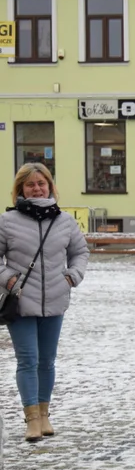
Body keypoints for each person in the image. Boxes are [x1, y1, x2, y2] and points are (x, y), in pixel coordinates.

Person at [1, 163, 89, 442]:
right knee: (28, 360)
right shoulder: (7, 221)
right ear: (20, 189)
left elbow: (80, 252)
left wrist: (71, 277)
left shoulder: (64, 221)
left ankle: (45, 413)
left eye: (41, 183)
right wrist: (9, 280)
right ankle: (32, 420)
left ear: (50, 186)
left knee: (47, 361)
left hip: (55, 298)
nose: (37, 188)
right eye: (30, 184)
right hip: (21, 301)